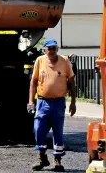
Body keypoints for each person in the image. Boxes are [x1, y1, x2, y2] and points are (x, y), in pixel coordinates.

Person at [28, 38, 76, 172]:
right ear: (44, 49)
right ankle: (42, 157)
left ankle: (57, 161)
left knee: (58, 133)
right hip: (42, 102)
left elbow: (71, 82)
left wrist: (73, 102)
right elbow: (34, 82)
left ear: (57, 49)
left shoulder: (64, 61)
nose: (52, 51)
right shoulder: (40, 60)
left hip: (58, 102)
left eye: (54, 48)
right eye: (49, 48)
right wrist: (31, 101)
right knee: (38, 130)